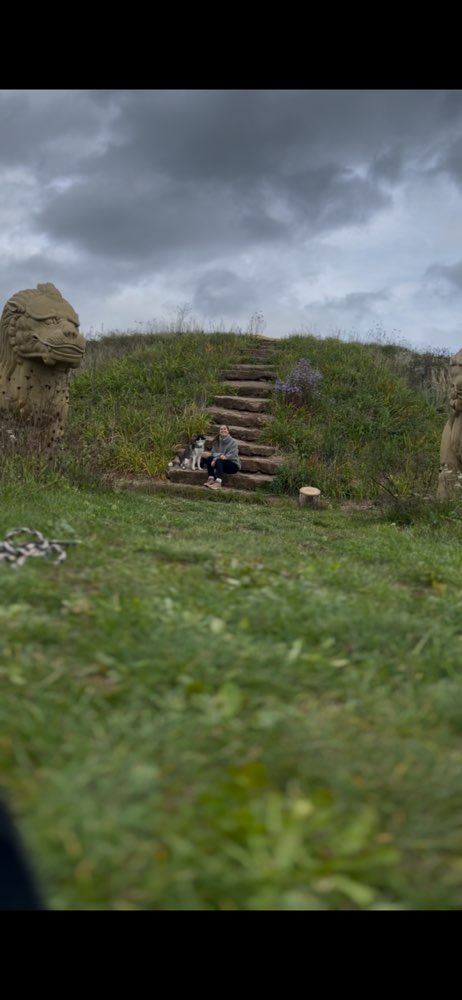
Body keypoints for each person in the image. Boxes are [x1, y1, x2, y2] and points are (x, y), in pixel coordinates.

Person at [204, 424, 240, 489]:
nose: (223, 430)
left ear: (228, 431)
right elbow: (213, 453)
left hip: (233, 465)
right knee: (209, 458)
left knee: (219, 460)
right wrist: (219, 456)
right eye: (221, 429)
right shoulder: (216, 441)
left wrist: (216, 459)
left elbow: (231, 455)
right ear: (219, 431)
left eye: (225, 429)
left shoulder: (233, 442)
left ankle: (218, 483)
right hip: (220, 463)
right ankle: (211, 479)